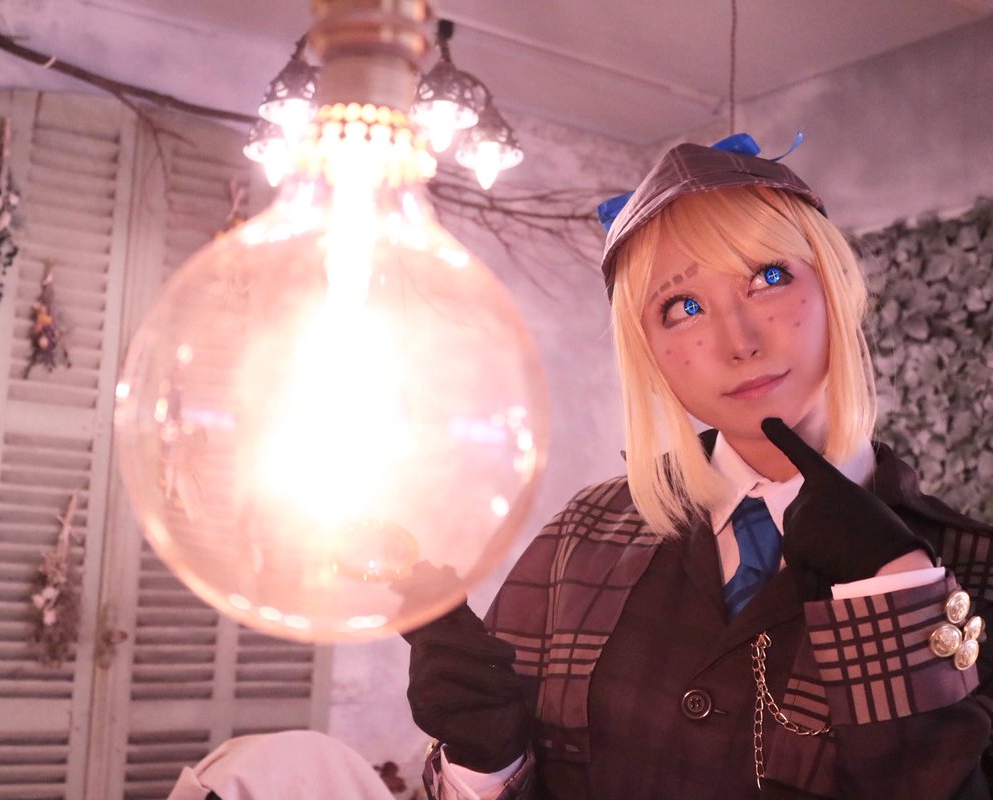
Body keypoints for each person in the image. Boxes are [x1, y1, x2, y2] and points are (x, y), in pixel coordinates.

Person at [402, 134, 993, 799]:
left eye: (769, 278)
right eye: (682, 308)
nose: (739, 342)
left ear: (837, 287)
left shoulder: (972, 570)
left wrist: (894, 595)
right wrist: (485, 764)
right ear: (648, 353)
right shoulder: (578, 539)